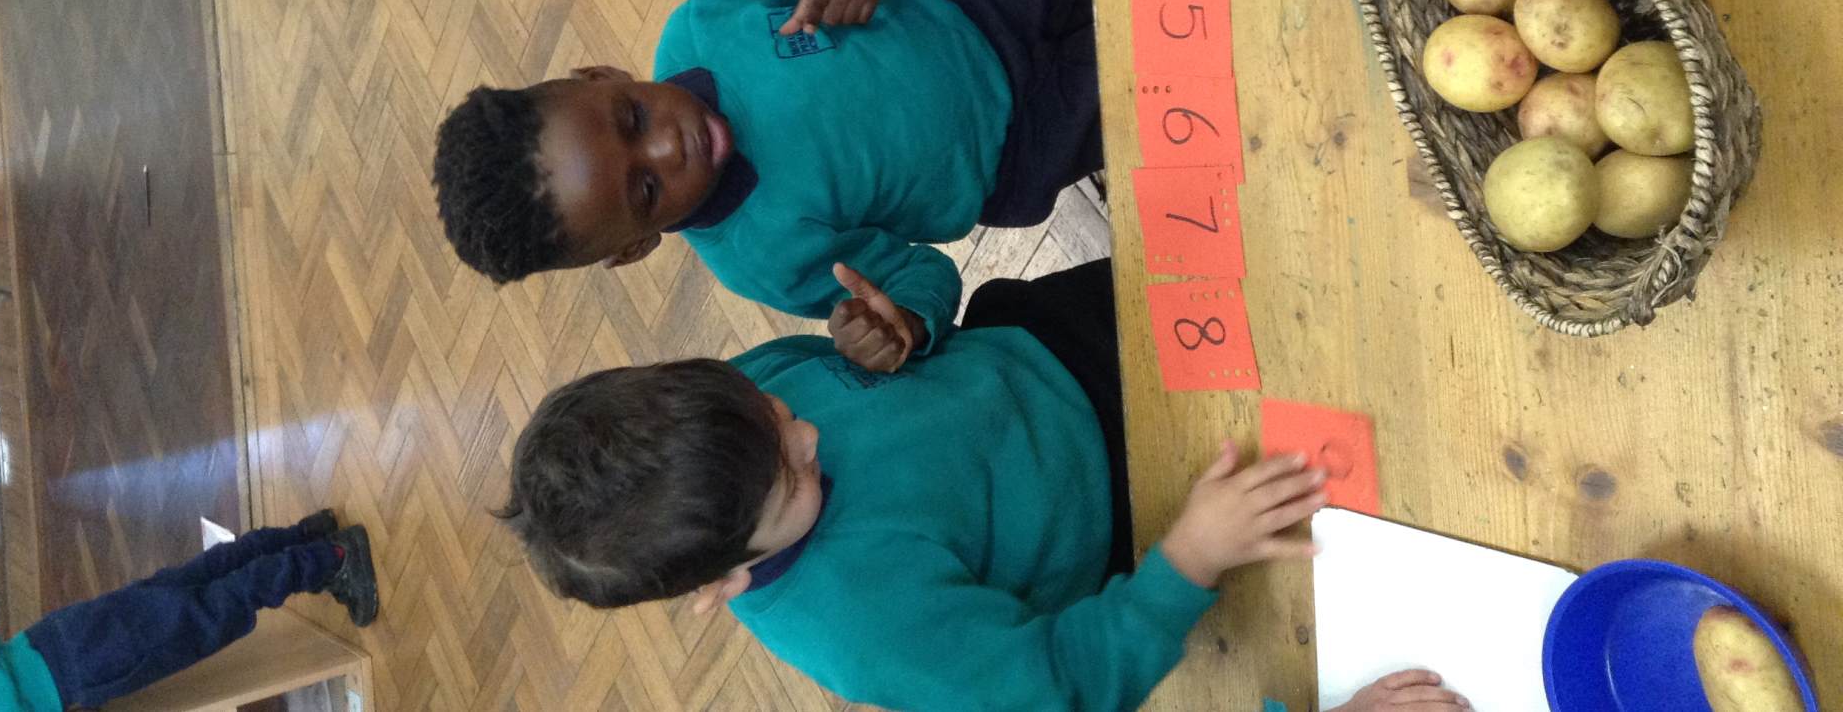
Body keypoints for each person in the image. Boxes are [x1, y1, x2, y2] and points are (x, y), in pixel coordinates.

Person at [498, 259, 1469, 712]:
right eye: (793, 471)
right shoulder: (871, 634)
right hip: (1138, 512)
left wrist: (908, 317)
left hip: (1055, 336)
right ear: (726, 582)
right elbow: (1067, 685)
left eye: (772, 408)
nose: (807, 428)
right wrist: (1189, 557)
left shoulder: (739, 417)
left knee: (1309, 278)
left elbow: (909, 299)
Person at [433, 0, 1097, 370]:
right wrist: (902, 325)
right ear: (635, 247)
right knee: (1149, 64)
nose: (669, 146)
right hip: (1024, 148)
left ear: (601, 75)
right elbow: (917, 278)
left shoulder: (700, 26)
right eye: (646, 189)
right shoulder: (765, 261)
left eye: (633, 118)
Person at [0, 514, 378, 711]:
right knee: (192, 583)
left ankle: (334, 559)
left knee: (207, 614)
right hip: (46, 642)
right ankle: (303, 537)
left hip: (72, 675)